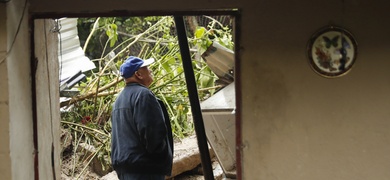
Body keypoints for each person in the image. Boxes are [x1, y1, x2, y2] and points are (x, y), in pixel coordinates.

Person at [111, 56, 173, 180]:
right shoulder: (144, 95)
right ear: (138, 74)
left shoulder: (118, 100)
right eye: (146, 68)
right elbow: (153, 134)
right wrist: (161, 160)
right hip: (145, 171)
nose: (150, 70)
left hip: (126, 170)